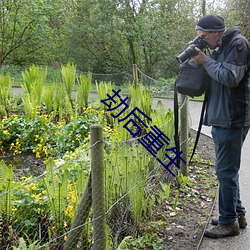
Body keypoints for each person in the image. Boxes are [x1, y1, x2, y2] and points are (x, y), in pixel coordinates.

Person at [192, 15, 250, 238]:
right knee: (227, 171)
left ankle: (228, 223)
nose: (203, 41)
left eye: (204, 37)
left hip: (232, 118)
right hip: (222, 117)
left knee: (225, 171)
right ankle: (237, 214)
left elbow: (229, 77)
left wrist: (205, 61)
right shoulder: (221, 46)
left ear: (216, 32)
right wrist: (202, 60)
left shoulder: (238, 44)